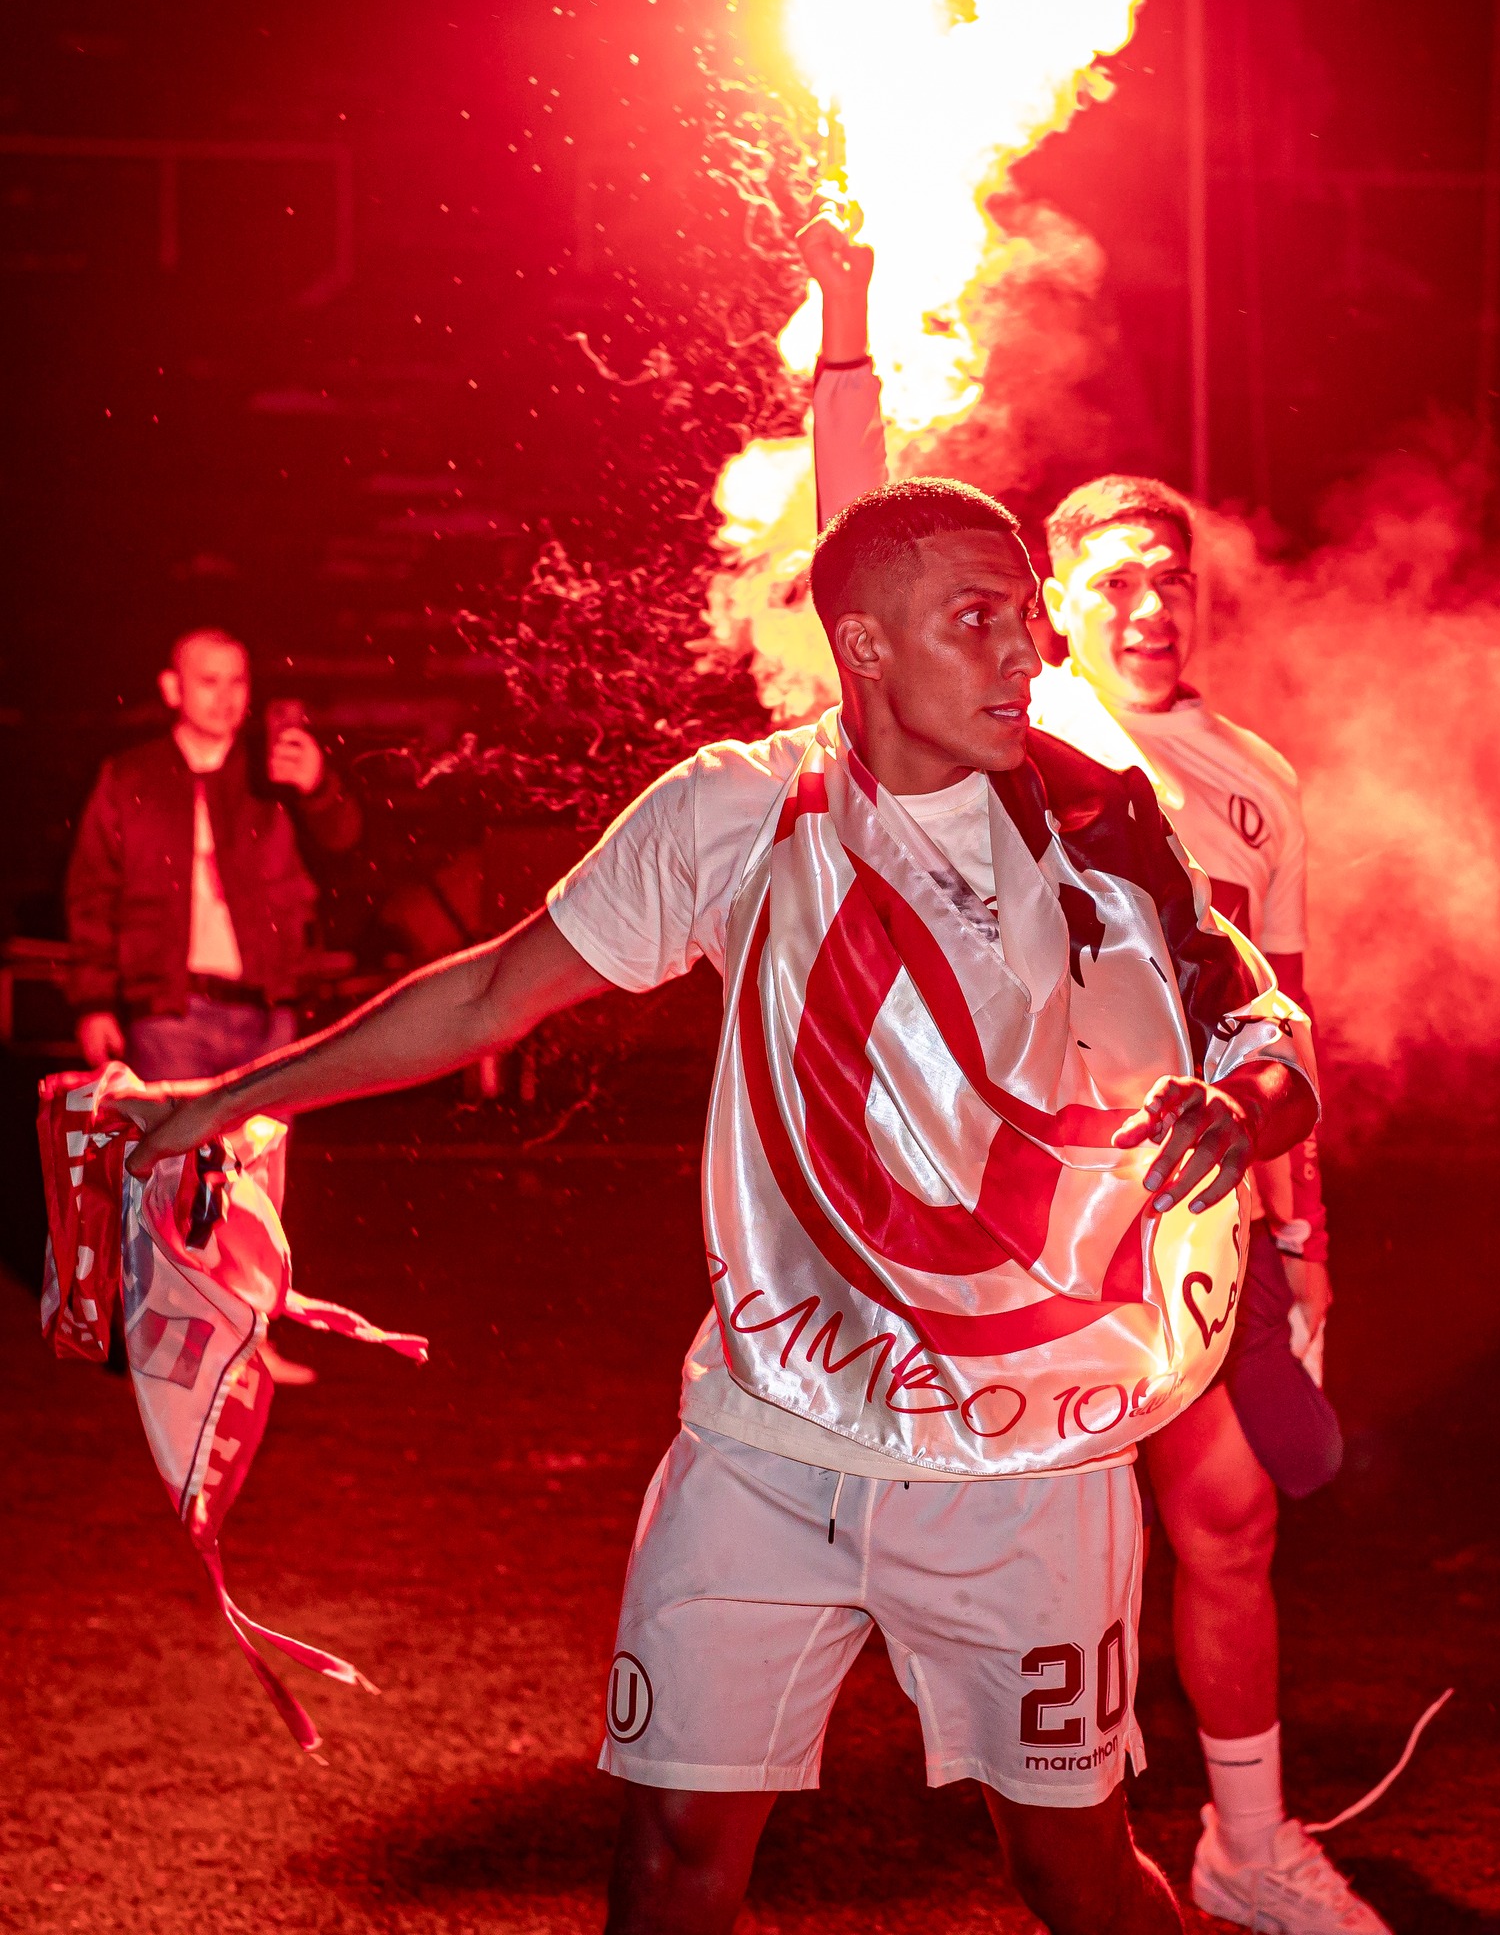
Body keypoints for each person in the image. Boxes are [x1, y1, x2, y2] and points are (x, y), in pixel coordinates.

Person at [116, 476, 1318, 1935]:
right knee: (677, 1857)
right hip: (768, 1436)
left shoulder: (1096, 817)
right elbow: (493, 989)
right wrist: (234, 1097)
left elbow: (1258, 1029)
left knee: (1066, 1870)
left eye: (1028, 617)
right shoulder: (735, 811)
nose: (1032, 653)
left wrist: (1239, 1107)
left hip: (1025, 1456)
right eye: (980, 618)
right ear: (864, 649)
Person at [803, 216, 1385, 1935]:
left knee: (1225, 1518)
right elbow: (858, 549)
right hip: (1013, 1224)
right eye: (1108, 578)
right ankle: (1077, 1832)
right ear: (1049, 604)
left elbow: (1285, 1023)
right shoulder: (1014, 721)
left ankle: (1247, 1845)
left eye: (1169, 576)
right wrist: (844, 325)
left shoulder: (1261, 781)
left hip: (1199, 1212)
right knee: (1046, 1562)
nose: (1145, 603)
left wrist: (1304, 1238)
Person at [66, 626, 361, 1084]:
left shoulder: (275, 774)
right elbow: (92, 896)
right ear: (172, 688)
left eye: (237, 681)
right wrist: (94, 1005)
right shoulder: (129, 779)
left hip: (270, 1016)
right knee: (174, 1156)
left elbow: (345, 846)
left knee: (262, 1157)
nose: (225, 696)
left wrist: (319, 789)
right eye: (208, 681)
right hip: (169, 1018)